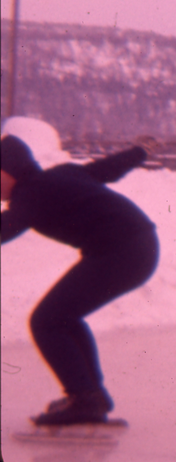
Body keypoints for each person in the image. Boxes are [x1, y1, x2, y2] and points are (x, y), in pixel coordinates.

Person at [0, 134, 159, 426]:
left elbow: (4, 228)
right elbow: (106, 169)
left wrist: (138, 152)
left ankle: (85, 398)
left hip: (121, 251)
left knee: (46, 321)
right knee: (62, 317)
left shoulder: (30, 195)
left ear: (8, 170)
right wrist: (139, 151)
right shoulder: (60, 175)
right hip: (137, 245)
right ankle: (89, 395)